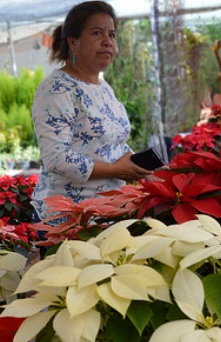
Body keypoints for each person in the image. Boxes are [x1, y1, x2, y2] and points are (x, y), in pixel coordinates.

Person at [31, 0, 153, 227]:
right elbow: (57, 158)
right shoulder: (57, 89)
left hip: (110, 211)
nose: (108, 42)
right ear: (73, 42)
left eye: (112, 35)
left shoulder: (103, 87)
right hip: (70, 219)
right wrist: (117, 169)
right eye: (97, 33)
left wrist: (141, 168)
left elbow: (114, 143)